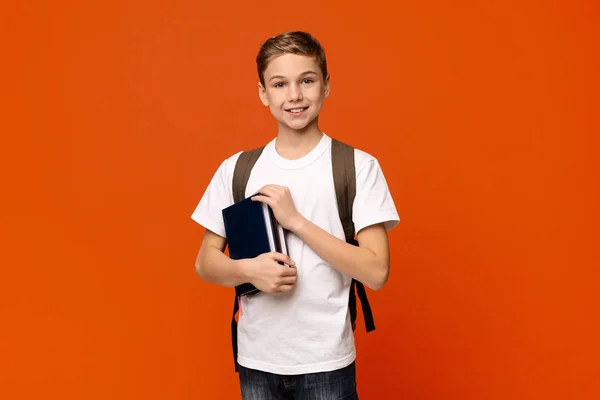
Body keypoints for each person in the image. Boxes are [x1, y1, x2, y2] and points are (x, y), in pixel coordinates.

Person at [191, 31, 400, 400]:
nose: (294, 96)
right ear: (263, 93)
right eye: (279, 84)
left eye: (307, 80)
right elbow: (205, 262)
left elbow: (376, 271)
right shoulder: (237, 169)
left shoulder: (356, 166)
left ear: (326, 85)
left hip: (326, 363)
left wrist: (296, 222)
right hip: (257, 359)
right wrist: (248, 270)